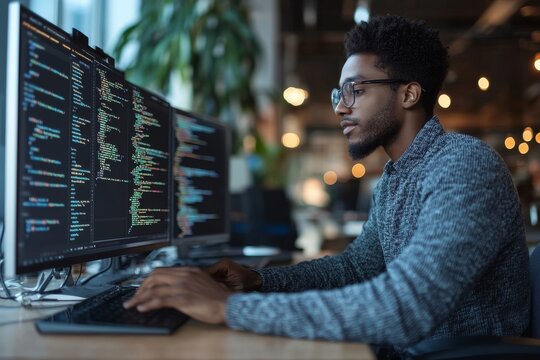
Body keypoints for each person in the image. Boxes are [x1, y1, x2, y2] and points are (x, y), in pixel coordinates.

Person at [124, 15, 530, 357]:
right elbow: (356, 268)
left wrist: (230, 308)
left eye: (356, 90)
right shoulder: (395, 179)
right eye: (341, 92)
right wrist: (260, 280)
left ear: (408, 94)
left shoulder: (463, 166)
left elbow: (406, 307)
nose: (340, 106)